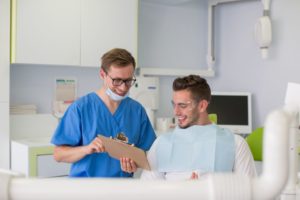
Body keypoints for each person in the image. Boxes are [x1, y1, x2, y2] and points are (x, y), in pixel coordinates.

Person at [51, 48, 156, 177]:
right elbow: (58, 154)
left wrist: (135, 164)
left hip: (122, 189)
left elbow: (149, 154)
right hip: (86, 190)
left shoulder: (136, 111)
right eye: (117, 80)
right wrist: (86, 149)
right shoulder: (81, 108)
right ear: (102, 74)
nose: (123, 88)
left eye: (128, 81)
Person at [141, 75, 256, 180]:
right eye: (174, 105)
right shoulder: (161, 144)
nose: (176, 112)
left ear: (202, 106)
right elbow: (146, 192)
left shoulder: (236, 144)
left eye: (183, 105)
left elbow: (249, 193)